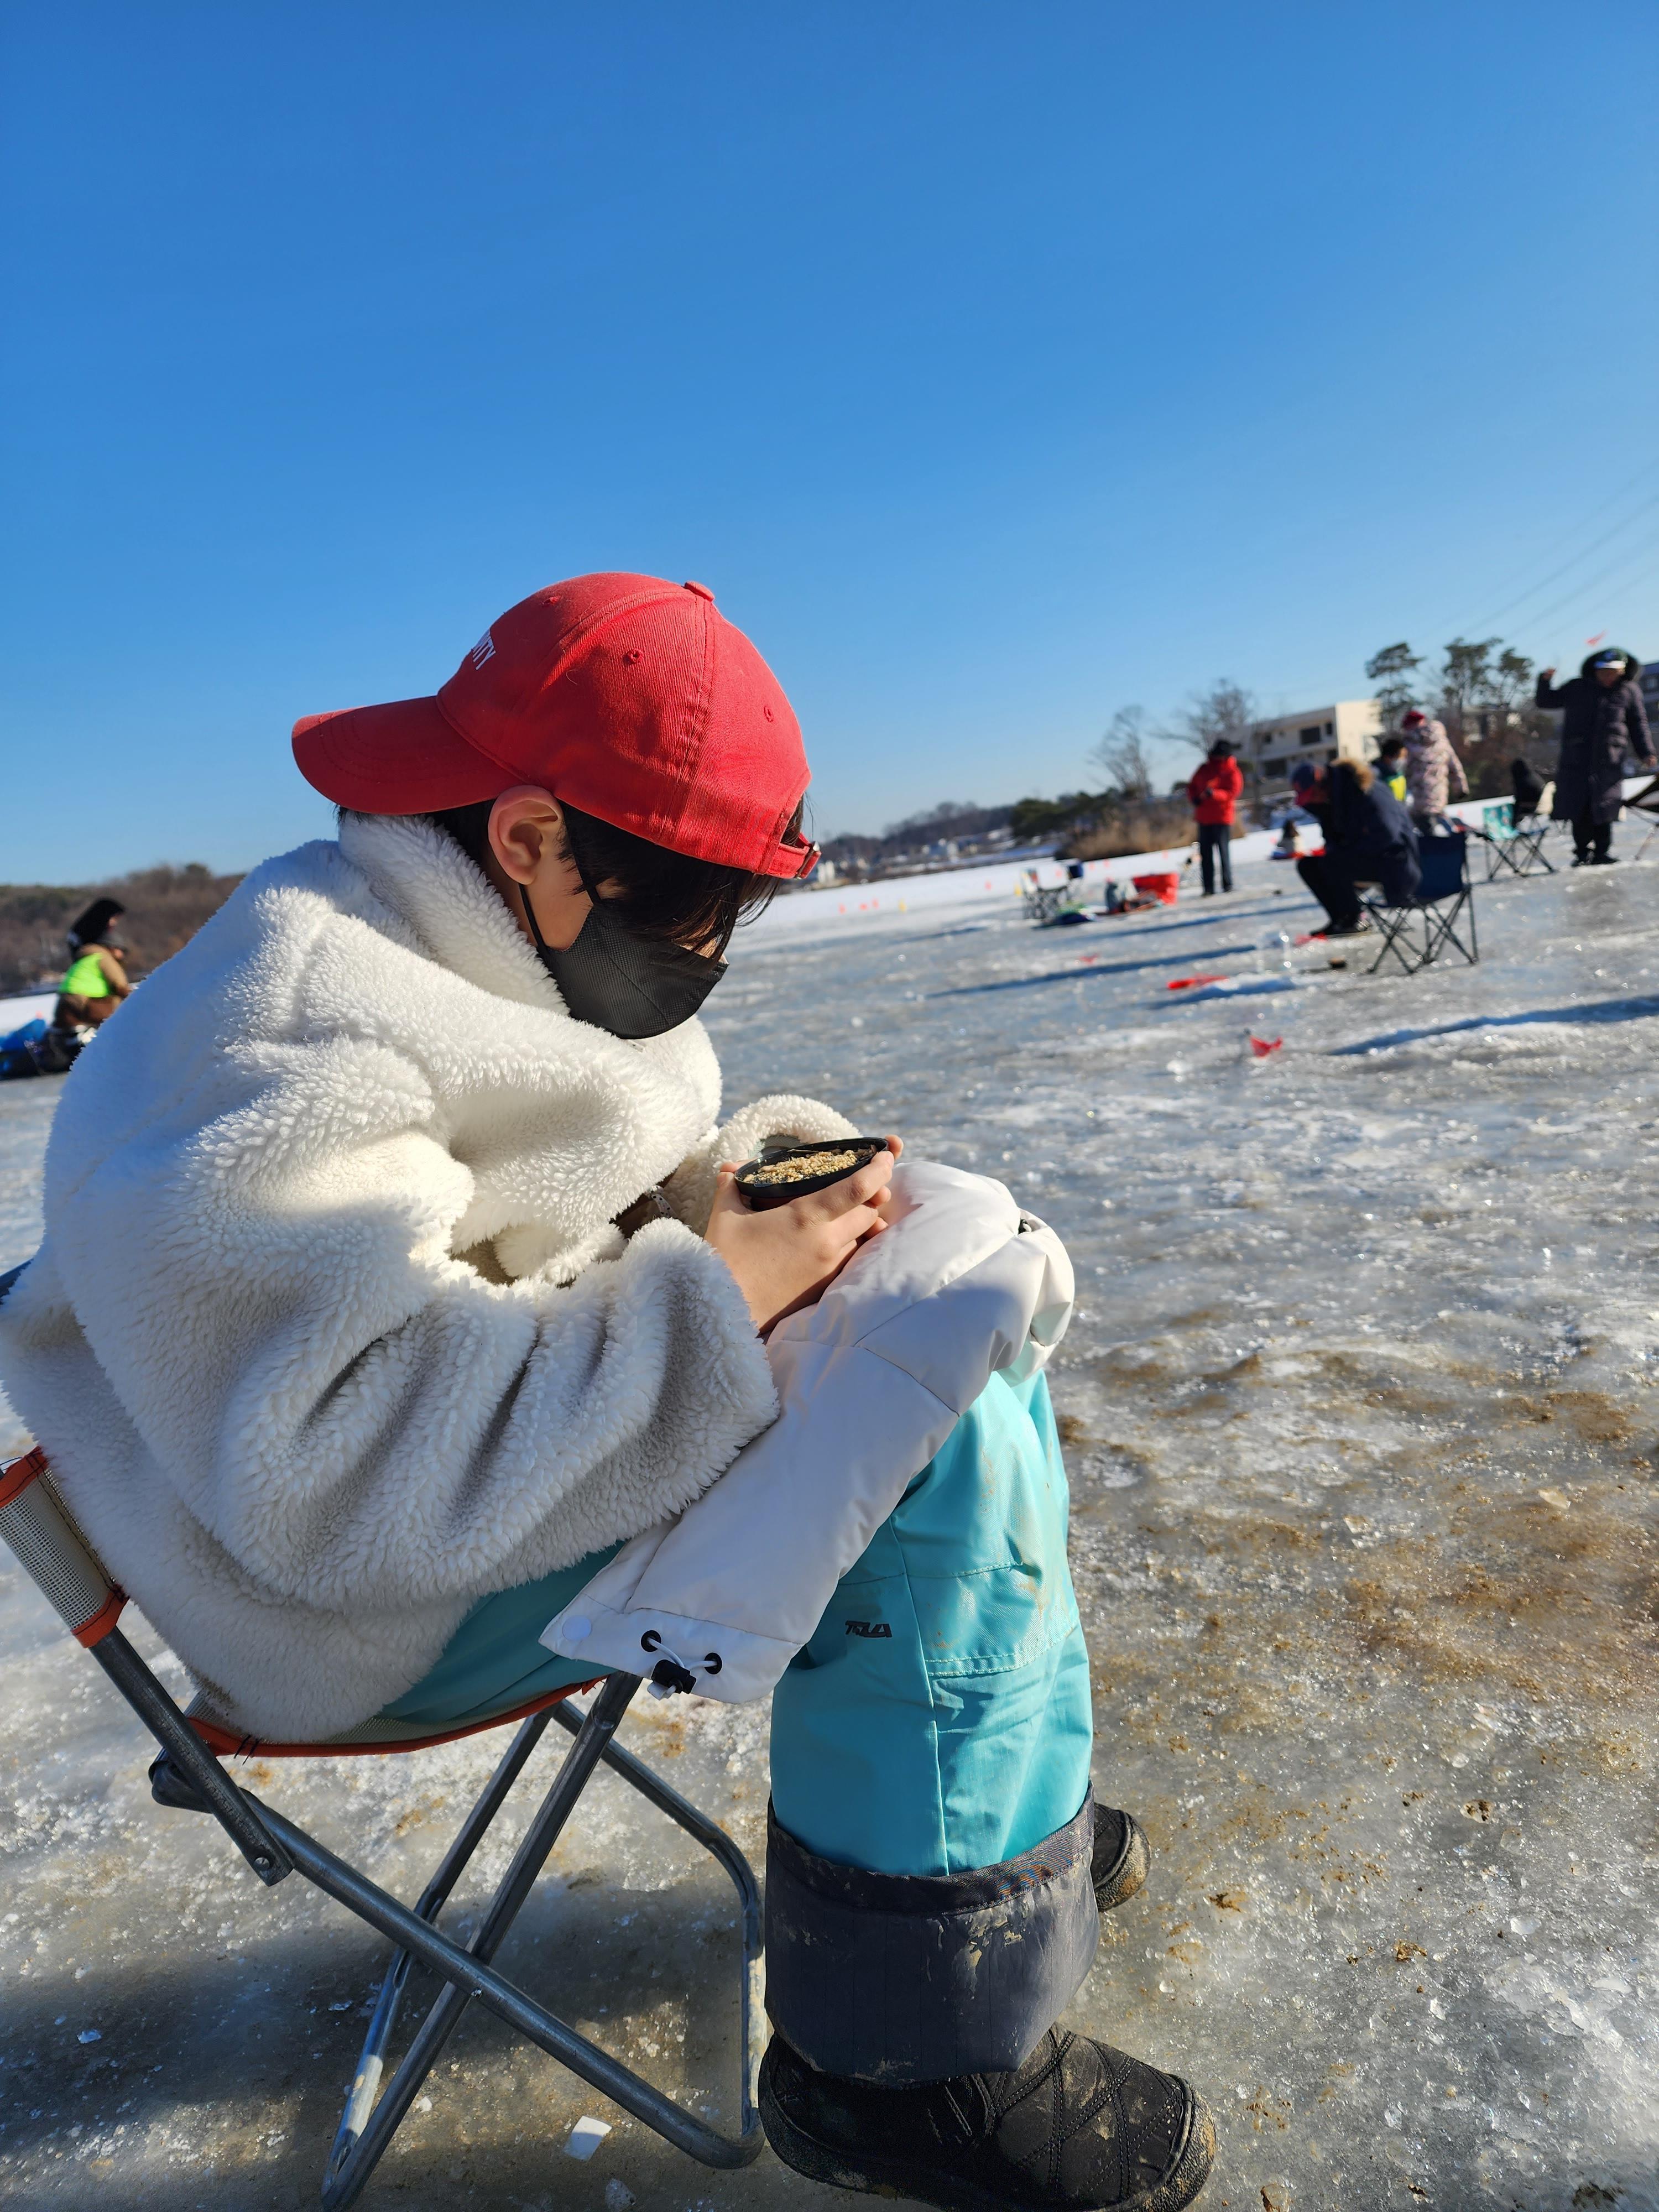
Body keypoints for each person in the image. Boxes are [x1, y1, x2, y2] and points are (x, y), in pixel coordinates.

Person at [0, 573, 1214, 2212]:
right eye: (695, 909)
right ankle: (907, 2060)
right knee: (928, 1416)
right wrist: (720, 1297)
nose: (706, 953)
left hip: (462, 1476)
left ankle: (976, 1836)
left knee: (927, 1312)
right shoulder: (283, 1040)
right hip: (343, 1607)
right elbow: (345, 1484)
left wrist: (758, 1196)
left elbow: (569, 1189)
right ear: (527, 840)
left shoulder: (451, 942)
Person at [1537, 648, 1655, 865]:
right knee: (1580, 807)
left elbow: (1638, 724)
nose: (1607, 676)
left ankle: (1602, 852)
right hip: (1577, 759)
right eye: (1603, 671)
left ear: (1622, 671)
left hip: (1609, 759)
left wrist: (1646, 753)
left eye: (1613, 671)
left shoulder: (1629, 691)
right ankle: (1582, 852)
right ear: (1595, 670)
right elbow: (1546, 701)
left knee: (1605, 807)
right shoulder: (1577, 687)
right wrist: (1544, 682)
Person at [1291, 758, 1420, 935]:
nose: (1311, 802)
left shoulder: (1366, 791)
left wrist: (1346, 853)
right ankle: (1342, 919)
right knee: (1309, 865)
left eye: (1312, 795)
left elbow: (1387, 836)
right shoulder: (1333, 802)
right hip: (1370, 858)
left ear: (1323, 783)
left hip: (1397, 862)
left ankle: (1354, 919)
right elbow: (1334, 840)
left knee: (1333, 863)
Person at [52, 897, 132, 1034]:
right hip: (84, 1002)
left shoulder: (87, 955)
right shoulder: (101, 955)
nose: (115, 922)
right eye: (115, 918)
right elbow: (120, 985)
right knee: (120, 1008)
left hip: (65, 1003)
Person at [1186, 738, 1243, 895]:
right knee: (1206, 855)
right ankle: (1208, 888)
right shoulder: (1204, 769)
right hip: (1204, 818)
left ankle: (1227, 884)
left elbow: (1233, 793)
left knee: (1223, 852)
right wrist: (1194, 798)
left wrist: (1214, 794)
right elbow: (1192, 787)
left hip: (1222, 817)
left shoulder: (1232, 771)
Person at [1400, 707, 1467, 836]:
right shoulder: (1441, 741)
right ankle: (1453, 845)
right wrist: (1460, 787)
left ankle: (1438, 849)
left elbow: (1401, 769)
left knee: (1425, 828)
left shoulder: (1407, 744)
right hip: (1438, 790)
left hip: (1416, 794)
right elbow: (1454, 765)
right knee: (1438, 817)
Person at [1376, 734, 1408, 803]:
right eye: (1400, 757)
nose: (1403, 761)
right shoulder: (1376, 775)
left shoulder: (1399, 774)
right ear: (1387, 757)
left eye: (1405, 757)